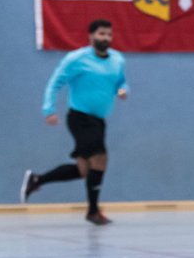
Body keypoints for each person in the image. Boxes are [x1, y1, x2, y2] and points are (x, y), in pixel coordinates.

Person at [20, 19, 128, 225]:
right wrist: (48, 109)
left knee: (84, 170)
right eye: (101, 34)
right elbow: (55, 82)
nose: (105, 38)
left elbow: (120, 81)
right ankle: (93, 211)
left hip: (99, 120)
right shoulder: (76, 59)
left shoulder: (117, 60)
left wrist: (123, 90)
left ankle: (37, 179)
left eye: (109, 35)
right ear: (91, 36)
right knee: (100, 158)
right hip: (80, 118)